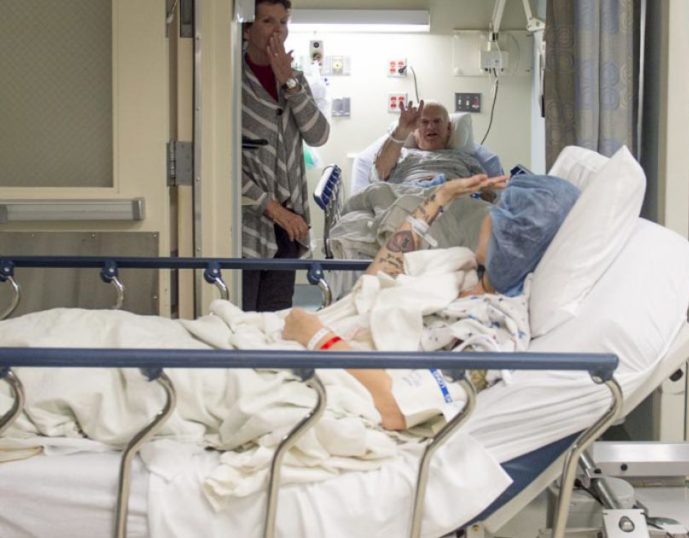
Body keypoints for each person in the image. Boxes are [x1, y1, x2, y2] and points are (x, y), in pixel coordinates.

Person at [283, 173, 581, 430]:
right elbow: (378, 279)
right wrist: (440, 197)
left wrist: (317, 338)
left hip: (321, 377)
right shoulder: (462, 270)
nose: (489, 215)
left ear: (511, 237)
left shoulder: (494, 330)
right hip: (312, 345)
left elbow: (397, 408)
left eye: (500, 212)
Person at [241, 0, 329, 312]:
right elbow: (222, 166)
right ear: (247, 29)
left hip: (289, 225)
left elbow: (318, 135)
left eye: (283, 22)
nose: (278, 31)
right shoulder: (230, 81)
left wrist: (290, 83)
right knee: (244, 317)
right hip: (247, 225)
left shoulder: (295, 79)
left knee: (277, 318)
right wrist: (273, 209)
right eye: (268, 21)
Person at [372, 100, 486, 184]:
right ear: (414, 130)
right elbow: (380, 172)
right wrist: (401, 130)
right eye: (424, 122)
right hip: (408, 197)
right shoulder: (400, 154)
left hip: (453, 200)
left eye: (437, 121)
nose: (431, 127)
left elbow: (488, 195)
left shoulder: (466, 159)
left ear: (449, 128)